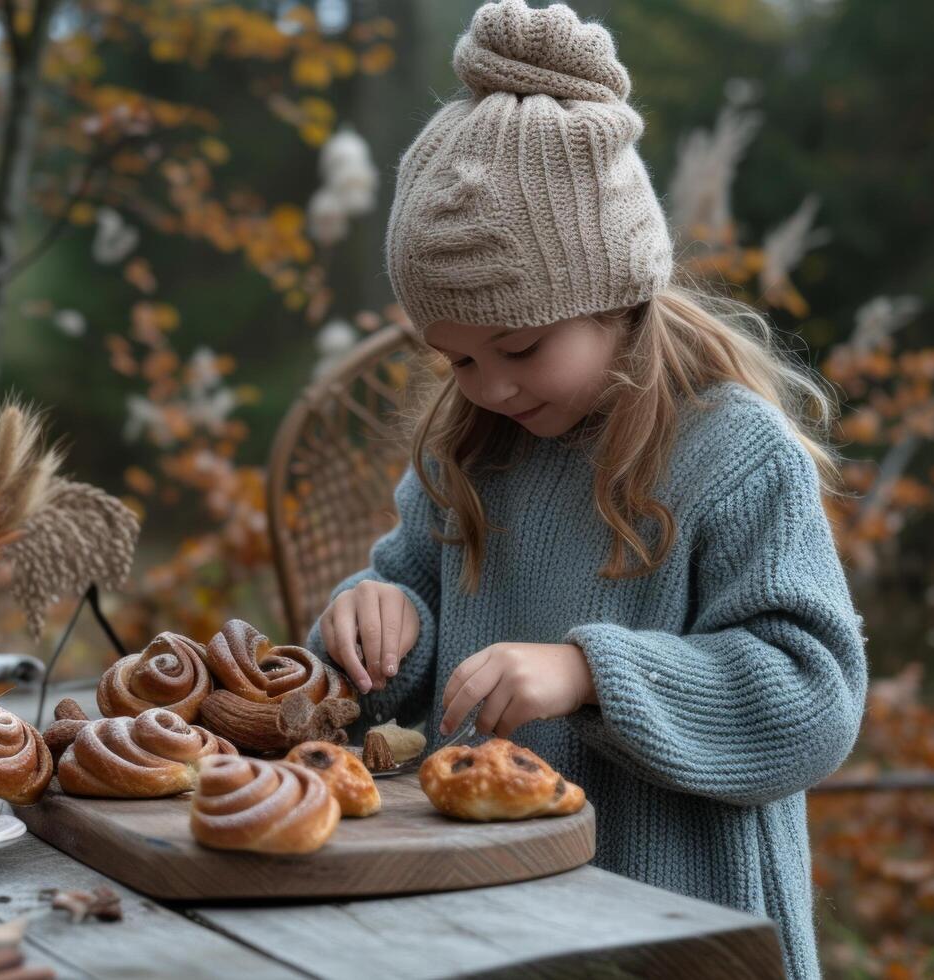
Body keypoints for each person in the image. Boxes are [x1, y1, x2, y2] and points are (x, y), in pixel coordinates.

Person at [306, 3, 868, 978]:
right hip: (498, 926)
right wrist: (378, 621)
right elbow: (407, 667)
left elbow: (812, 700)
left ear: (615, 292)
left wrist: (593, 675)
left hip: (684, 931)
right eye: (457, 359)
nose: (490, 386)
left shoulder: (732, 454)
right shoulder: (470, 456)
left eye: (519, 347)